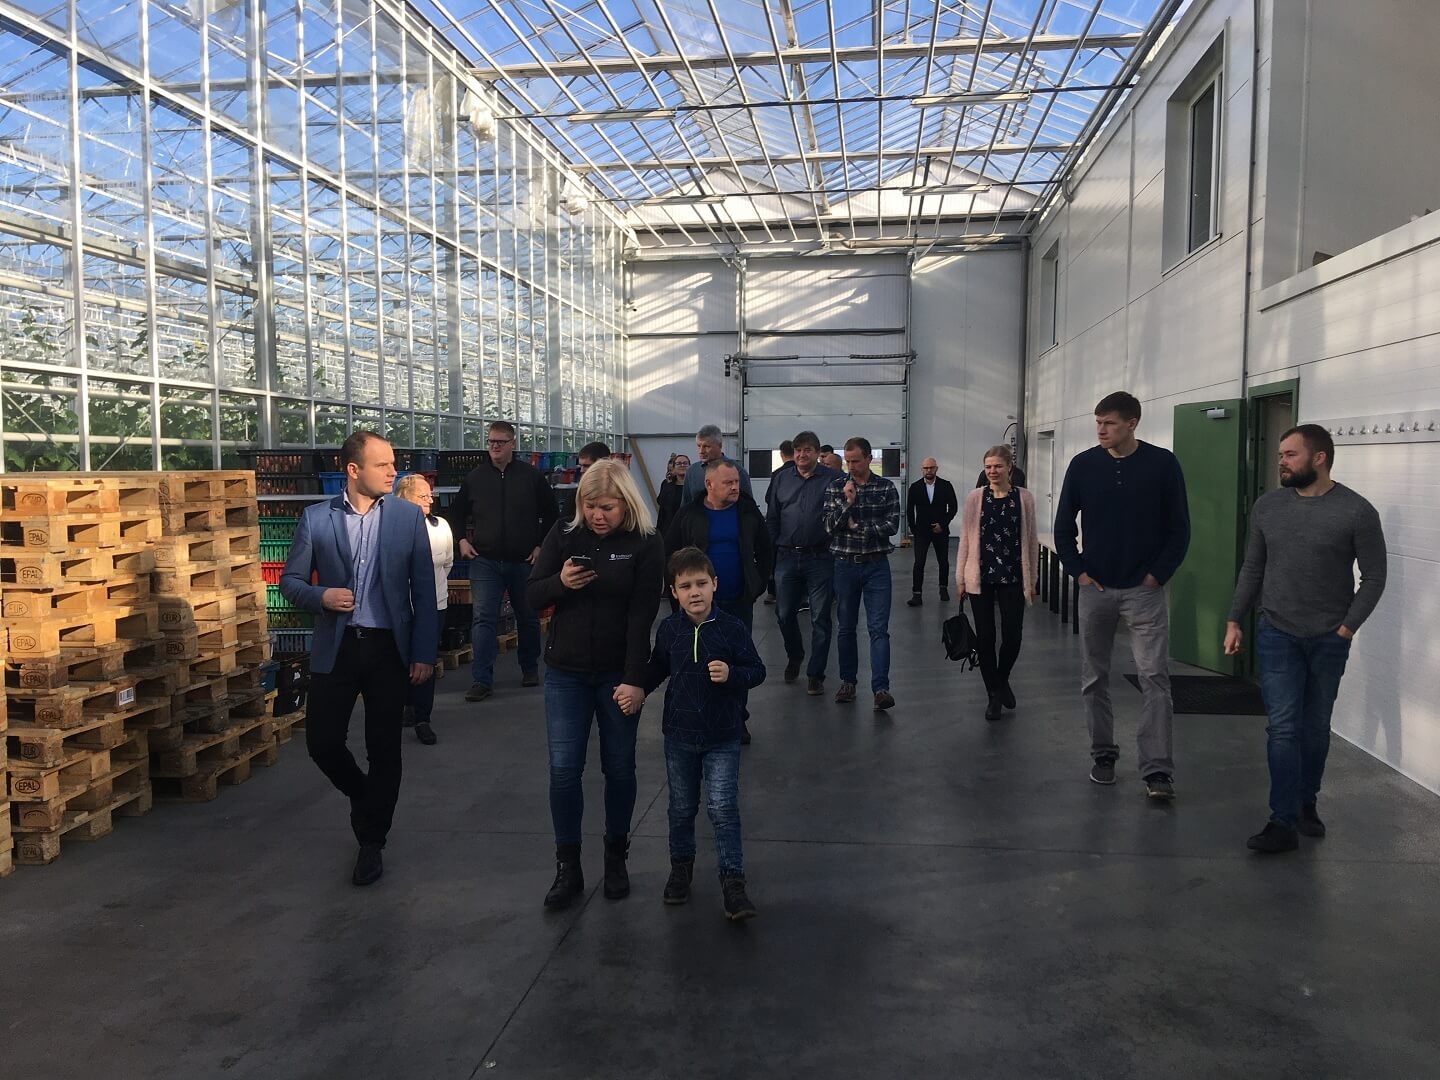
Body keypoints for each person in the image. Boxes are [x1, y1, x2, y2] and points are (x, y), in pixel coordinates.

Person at [279, 431, 437, 887]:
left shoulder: (407, 518)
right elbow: (290, 581)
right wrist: (321, 596)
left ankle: (372, 841)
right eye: (382, 464)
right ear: (353, 470)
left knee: (384, 747)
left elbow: (424, 591)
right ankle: (364, 795)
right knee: (322, 742)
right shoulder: (317, 518)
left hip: (388, 648)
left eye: (393, 463)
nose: (393, 471)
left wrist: (424, 653)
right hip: (338, 645)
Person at [1225, 425, 1387, 854]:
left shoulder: (1357, 511)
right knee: (1282, 728)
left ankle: (1305, 803)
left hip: (1329, 637)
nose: (1281, 461)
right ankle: (1281, 821)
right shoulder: (1268, 507)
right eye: (1280, 454)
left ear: (1319, 458)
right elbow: (1253, 567)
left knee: (1314, 727)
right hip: (1277, 632)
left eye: (1290, 454)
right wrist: (1235, 618)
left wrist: (1347, 628)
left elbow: (1374, 577)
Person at [526, 460, 665, 910]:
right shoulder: (564, 534)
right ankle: (567, 866)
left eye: (607, 507)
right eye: (589, 506)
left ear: (626, 503)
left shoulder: (646, 543)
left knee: (619, 767)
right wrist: (561, 583)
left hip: (616, 674)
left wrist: (635, 679)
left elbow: (643, 616)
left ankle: (615, 856)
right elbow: (532, 594)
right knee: (564, 770)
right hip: (565, 672)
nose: (596, 515)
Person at [1055, 391, 1190, 799]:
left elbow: (1179, 529)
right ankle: (1103, 754)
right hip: (1095, 589)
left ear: (1132, 423)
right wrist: (1078, 572)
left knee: (1154, 678)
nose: (1100, 430)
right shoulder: (1083, 465)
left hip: (1144, 592)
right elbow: (1063, 526)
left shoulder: (1162, 464)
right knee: (1094, 677)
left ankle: (1157, 770)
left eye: (1109, 423)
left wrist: (1156, 575)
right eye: (1097, 422)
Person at [641, 547, 766, 920]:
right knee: (681, 808)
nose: (694, 592)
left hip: (723, 736)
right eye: (685, 586)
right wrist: (635, 688)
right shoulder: (669, 630)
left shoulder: (731, 628)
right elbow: (657, 668)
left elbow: (756, 670)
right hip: (679, 736)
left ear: (715, 584)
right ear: (673, 592)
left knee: (723, 808)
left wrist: (732, 674)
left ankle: (733, 881)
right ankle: (681, 869)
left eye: (700, 584)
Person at [446, 420, 558, 703]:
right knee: (483, 618)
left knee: (527, 617)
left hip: (523, 560)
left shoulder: (531, 477)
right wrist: (461, 540)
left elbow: (552, 513)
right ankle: (481, 680)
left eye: (500, 442)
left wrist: (540, 546)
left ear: (512, 444)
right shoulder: (475, 478)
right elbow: (456, 513)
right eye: (491, 441)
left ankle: (529, 668)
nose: (494, 446)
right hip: (485, 559)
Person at [665, 459, 774, 745]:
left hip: (738, 599)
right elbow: (669, 552)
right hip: (699, 607)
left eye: (736, 481)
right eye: (728, 483)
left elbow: (765, 548)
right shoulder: (690, 513)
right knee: (700, 659)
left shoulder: (747, 511)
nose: (735, 487)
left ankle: (737, 717)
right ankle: (701, 713)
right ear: (709, 485)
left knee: (737, 660)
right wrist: (679, 595)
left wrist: (758, 584)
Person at [956, 446, 1039, 721]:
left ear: (1009, 467)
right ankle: (993, 694)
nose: (993, 471)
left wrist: (1033, 580)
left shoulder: (1024, 498)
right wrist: (960, 578)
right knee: (986, 637)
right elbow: (965, 540)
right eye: (988, 467)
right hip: (980, 576)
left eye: (998, 466)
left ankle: (1002, 679)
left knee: (1013, 636)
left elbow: (1031, 541)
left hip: (1013, 576)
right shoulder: (975, 498)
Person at [823, 437, 900, 710]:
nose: (851, 466)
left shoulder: (886, 487)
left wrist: (859, 528)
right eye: (847, 461)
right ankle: (848, 682)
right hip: (844, 564)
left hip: (876, 566)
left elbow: (892, 525)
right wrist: (848, 504)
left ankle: (881, 688)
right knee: (846, 627)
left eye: (856, 461)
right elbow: (829, 526)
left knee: (878, 629)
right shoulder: (836, 488)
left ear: (869, 458)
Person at [766, 430, 842, 695]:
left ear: (817, 453)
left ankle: (815, 674)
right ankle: (795, 654)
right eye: (798, 450)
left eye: (807, 450)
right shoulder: (782, 479)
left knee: (820, 617)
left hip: (821, 557)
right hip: (787, 557)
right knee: (784, 614)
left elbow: (843, 514)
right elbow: (773, 517)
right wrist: (771, 555)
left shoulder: (833, 479)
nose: (801, 454)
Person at [396, 474, 454, 746]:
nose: (430, 500)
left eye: (430, 495)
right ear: (404, 499)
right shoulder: (393, 530)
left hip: (434, 605)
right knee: (401, 658)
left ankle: (423, 718)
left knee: (425, 659)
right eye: (423, 496)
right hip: (400, 607)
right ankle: (406, 705)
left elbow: (447, 563)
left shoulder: (441, 527)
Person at [905, 457, 958, 606]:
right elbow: (909, 510)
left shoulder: (946, 486)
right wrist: (913, 529)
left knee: (943, 561)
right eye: (926, 468)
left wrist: (943, 524)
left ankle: (943, 588)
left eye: (931, 467)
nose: (928, 470)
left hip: (941, 530)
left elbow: (953, 507)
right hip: (921, 531)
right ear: (922, 469)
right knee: (919, 563)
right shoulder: (915, 487)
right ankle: (917, 594)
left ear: (936, 468)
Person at [681, 423, 752, 507]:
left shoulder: (737, 470)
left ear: (720, 445)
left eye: (706, 446)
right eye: (699, 446)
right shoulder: (692, 471)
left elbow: (749, 506)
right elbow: (685, 505)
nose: (701, 451)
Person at [763, 440, 795, 605]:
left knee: (775, 558)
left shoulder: (778, 473)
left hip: (780, 525)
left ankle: (773, 592)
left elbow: (769, 497)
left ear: (782, 454)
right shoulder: (800, 471)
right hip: (797, 527)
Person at [655, 451, 689, 538]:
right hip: (670, 528)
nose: (682, 465)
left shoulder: (693, 484)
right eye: (679, 463)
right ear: (674, 468)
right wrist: (669, 485)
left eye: (685, 463)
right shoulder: (667, 484)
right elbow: (661, 503)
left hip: (688, 527)